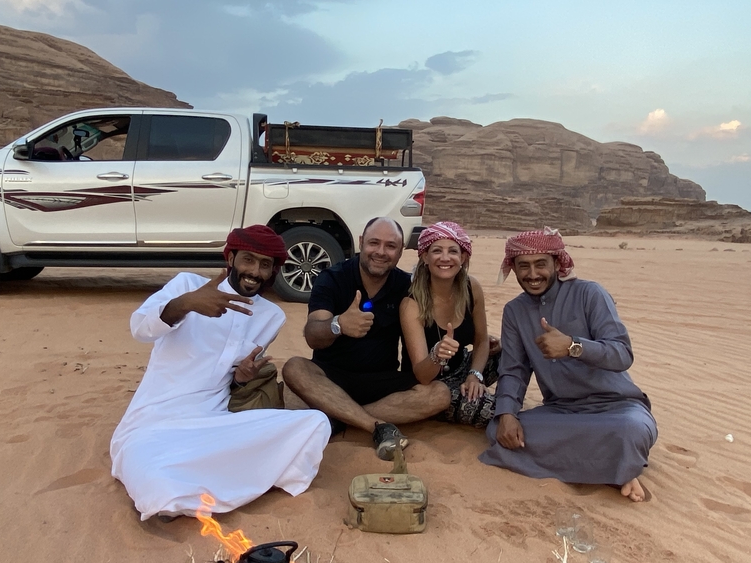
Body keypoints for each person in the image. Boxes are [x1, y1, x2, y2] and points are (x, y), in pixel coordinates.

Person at [110, 225, 331, 520]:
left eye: (265, 265)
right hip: (154, 423)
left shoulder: (272, 316)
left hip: (214, 422)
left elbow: (228, 379)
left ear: (273, 271)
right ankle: (221, 479)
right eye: (248, 260)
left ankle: (215, 478)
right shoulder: (187, 284)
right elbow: (140, 328)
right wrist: (186, 304)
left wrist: (242, 377)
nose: (255, 271)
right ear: (230, 259)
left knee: (315, 423)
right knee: (156, 484)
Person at [479, 227, 657, 502]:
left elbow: (622, 354)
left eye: (541, 264)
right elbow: (513, 370)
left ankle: (615, 461)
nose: (533, 274)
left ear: (557, 263)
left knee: (631, 431)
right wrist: (507, 414)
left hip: (617, 408)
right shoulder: (514, 311)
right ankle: (617, 467)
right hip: (562, 412)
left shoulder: (590, 294)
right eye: (523, 266)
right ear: (512, 268)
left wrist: (574, 346)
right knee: (497, 431)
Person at [282, 217, 450, 459]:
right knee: (294, 368)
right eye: (374, 243)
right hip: (331, 377)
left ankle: (340, 415)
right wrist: (338, 325)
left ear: (401, 251)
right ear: (361, 242)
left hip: (382, 383)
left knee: (440, 394)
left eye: (391, 246)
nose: (381, 252)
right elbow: (313, 336)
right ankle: (375, 426)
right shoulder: (333, 278)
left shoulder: (407, 286)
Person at [400, 221, 499, 427]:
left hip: (464, 368)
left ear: (463, 258)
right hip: (434, 387)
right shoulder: (412, 303)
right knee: (495, 411)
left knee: (513, 351)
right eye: (437, 251)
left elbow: (481, 341)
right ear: (425, 257)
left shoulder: (472, 287)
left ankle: (505, 396)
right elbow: (422, 375)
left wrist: (475, 376)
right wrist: (437, 354)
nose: (445, 258)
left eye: (453, 251)